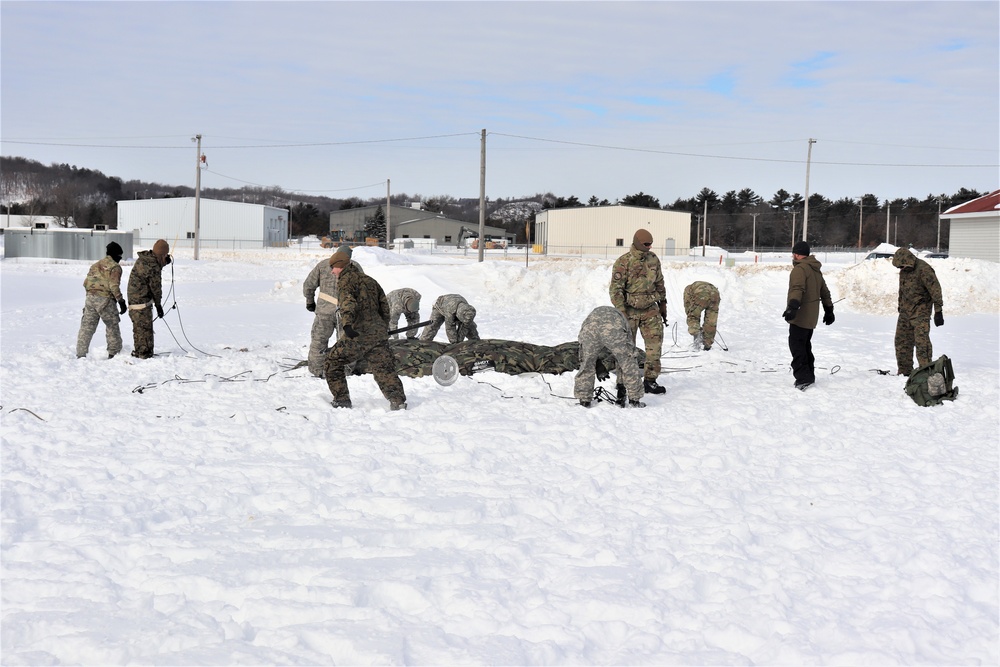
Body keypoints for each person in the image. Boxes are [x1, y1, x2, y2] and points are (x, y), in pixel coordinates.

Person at [324, 250, 407, 410]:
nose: (332, 271)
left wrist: (347, 325)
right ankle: (398, 401)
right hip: (378, 334)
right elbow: (385, 306)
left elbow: (348, 303)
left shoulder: (346, 281)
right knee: (383, 368)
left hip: (358, 334)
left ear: (339, 266)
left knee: (332, 361)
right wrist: (382, 328)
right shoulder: (370, 281)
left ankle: (341, 400)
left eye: (333, 267)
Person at [609, 228, 667, 395]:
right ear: (637, 242)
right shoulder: (623, 262)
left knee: (654, 347)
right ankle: (622, 383)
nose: (649, 247)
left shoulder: (653, 260)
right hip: (630, 312)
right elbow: (615, 290)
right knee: (626, 350)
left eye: (651, 244)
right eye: (646, 244)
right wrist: (622, 314)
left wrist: (663, 304)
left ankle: (650, 381)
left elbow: (660, 282)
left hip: (650, 310)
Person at [302, 246, 363, 377]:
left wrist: (310, 302)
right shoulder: (355, 266)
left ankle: (316, 369)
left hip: (324, 311)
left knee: (319, 340)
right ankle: (345, 370)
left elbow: (309, 285)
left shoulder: (323, 265)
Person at [782, 241, 834, 390]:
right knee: (805, 346)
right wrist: (829, 309)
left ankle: (803, 378)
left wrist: (792, 307)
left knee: (797, 346)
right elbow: (825, 292)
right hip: (811, 317)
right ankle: (809, 374)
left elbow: (797, 289)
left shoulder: (800, 269)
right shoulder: (815, 269)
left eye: (793, 253)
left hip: (801, 316)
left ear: (797, 254)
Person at [574, 306, 645, 408]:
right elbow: (627, 354)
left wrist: (594, 361)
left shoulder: (591, 317)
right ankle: (634, 400)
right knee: (627, 362)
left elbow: (583, 344)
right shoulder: (621, 318)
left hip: (590, 328)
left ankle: (584, 400)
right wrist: (621, 385)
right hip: (613, 328)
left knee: (586, 364)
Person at [892, 247, 944, 376]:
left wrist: (938, 311)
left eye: (902, 266)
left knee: (922, 342)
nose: (901, 269)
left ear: (908, 261)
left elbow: (935, 290)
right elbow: (902, 290)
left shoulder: (924, 270)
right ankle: (904, 370)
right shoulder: (904, 270)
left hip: (921, 311)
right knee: (901, 340)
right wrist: (900, 306)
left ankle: (925, 371)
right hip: (905, 310)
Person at [76, 241, 128, 359]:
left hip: (90, 299)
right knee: (112, 325)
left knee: (87, 327)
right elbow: (114, 286)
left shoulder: (95, 265)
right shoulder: (115, 267)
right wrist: (121, 301)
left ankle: (80, 354)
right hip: (106, 300)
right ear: (116, 255)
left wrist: (92, 295)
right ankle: (114, 353)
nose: (120, 259)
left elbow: (86, 283)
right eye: (119, 256)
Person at [127, 239, 171, 359]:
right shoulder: (153, 266)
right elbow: (155, 287)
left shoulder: (145, 260)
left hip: (135, 301)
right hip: (141, 302)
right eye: (166, 255)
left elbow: (150, 271)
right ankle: (144, 354)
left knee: (139, 327)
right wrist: (158, 305)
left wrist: (163, 262)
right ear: (162, 254)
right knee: (144, 329)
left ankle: (140, 351)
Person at [683, 281, 721, 351]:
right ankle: (707, 345)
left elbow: (688, 307)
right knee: (711, 322)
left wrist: (692, 318)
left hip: (702, 293)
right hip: (715, 294)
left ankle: (696, 341)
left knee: (693, 316)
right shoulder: (696, 286)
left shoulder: (688, 289)